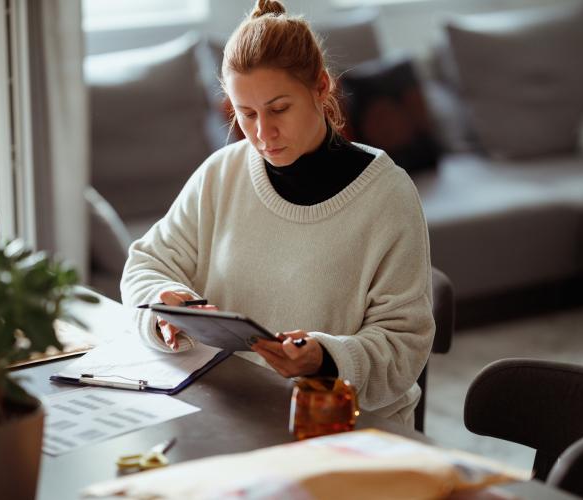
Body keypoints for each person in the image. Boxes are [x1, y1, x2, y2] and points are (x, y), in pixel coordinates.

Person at [121, 0, 435, 427]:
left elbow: (404, 346)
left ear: (321, 87)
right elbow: (146, 263)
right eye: (245, 114)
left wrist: (325, 358)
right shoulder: (222, 173)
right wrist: (160, 305)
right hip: (231, 410)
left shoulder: (387, 195)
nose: (262, 134)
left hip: (340, 425)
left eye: (279, 109)